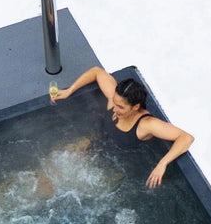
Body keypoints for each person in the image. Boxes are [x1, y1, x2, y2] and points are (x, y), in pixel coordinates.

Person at [52, 67, 195, 188]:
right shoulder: (115, 100)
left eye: (120, 107)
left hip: (116, 164)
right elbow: (97, 71)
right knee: (53, 165)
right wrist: (69, 90)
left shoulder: (146, 124)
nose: (115, 108)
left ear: (136, 107)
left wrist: (162, 163)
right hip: (96, 143)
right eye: (114, 102)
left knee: (83, 187)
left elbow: (185, 138)